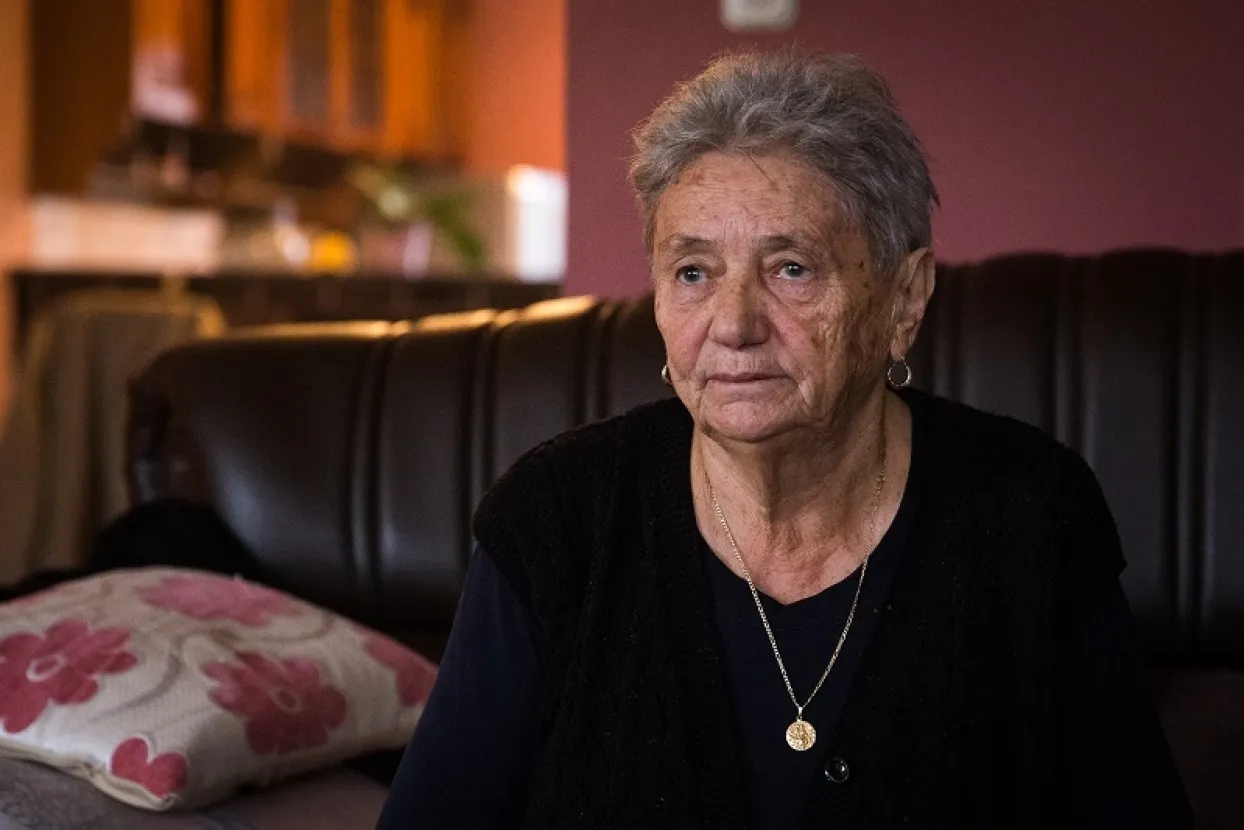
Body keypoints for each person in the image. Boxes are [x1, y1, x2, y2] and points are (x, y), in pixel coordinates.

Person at [377, 50, 1191, 829]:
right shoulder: (555, 522)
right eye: (693, 273)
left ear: (905, 300)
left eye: (791, 268)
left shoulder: (1032, 517)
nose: (733, 325)